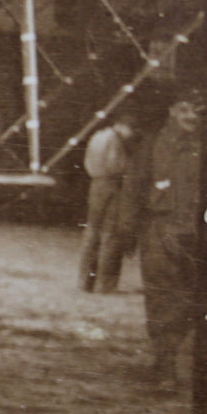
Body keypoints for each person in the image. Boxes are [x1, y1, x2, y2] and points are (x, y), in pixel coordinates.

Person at [130, 91, 205, 393]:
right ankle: (166, 365)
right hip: (159, 229)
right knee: (162, 297)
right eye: (185, 109)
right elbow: (134, 186)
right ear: (173, 110)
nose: (191, 117)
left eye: (197, 112)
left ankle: (168, 354)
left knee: (195, 300)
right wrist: (127, 229)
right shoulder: (151, 144)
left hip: (199, 234)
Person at [78, 115, 137, 293]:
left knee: (92, 232)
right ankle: (106, 284)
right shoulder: (116, 140)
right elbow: (115, 165)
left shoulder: (98, 136)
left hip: (95, 184)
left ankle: (85, 281)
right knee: (111, 234)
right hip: (112, 185)